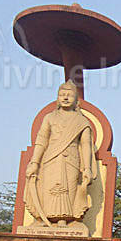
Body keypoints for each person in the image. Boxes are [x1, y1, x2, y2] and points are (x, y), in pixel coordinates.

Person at [24, 81, 97, 227]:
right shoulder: (49, 118)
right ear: (57, 98)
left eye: (69, 95)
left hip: (71, 158)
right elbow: (41, 140)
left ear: (76, 100)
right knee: (48, 187)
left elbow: (86, 145)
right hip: (50, 158)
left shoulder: (81, 121)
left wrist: (87, 168)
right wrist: (35, 163)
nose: (65, 98)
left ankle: (64, 219)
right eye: (62, 95)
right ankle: (44, 218)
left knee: (68, 189)